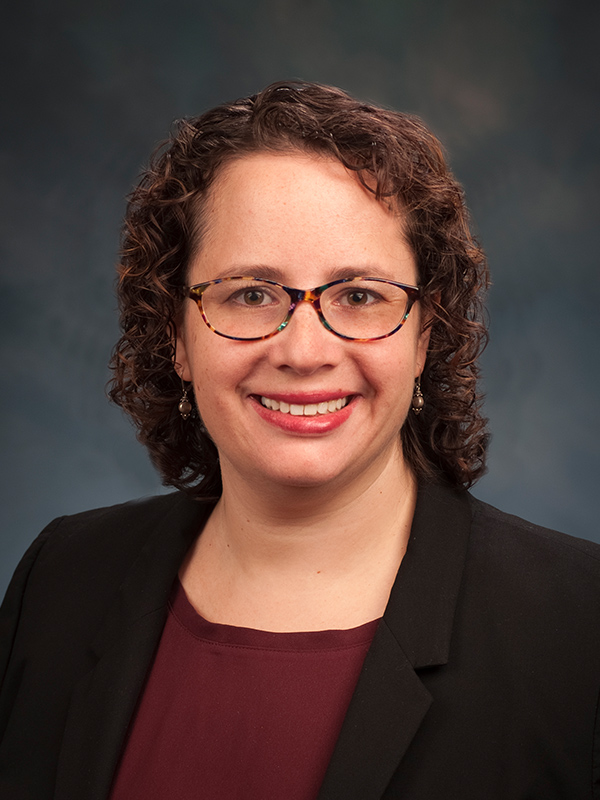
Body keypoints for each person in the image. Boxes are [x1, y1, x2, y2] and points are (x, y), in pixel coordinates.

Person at [0, 81, 599, 800]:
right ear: (176, 335)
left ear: (423, 338)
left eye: (360, 295)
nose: (305, 351)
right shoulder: (61, 581)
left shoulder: (577, 626)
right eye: (251, 293)